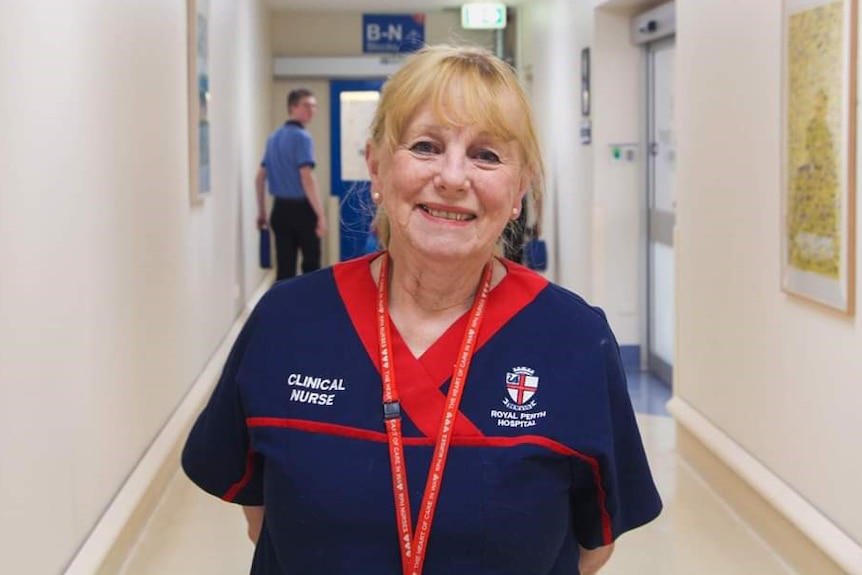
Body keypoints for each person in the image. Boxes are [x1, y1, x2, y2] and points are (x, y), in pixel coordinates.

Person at [183, 44, 662, 575]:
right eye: (427, 146)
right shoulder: (287, 322)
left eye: (487, 155)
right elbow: (262, 517)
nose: (454, 178)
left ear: (520, 186)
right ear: (377, 167)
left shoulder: (574, 338)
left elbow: (592, 546)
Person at [255, 88, 327, 281]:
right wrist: (320, 215)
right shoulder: (303, 138)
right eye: (306, 105)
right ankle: (311, 310)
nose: (311, 110)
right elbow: (307, 177)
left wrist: (262, 212)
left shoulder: (273, 138)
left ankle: (284, 310)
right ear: (292, 107)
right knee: (311, 268)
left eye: (314, 106)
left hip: (279, 210)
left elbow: (260, 176)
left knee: (284, 268)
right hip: (302, 210)